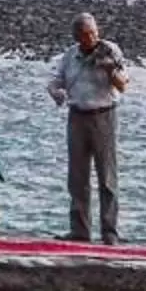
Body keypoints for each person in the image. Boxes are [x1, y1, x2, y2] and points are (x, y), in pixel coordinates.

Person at [47, 14, 130, 243]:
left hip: (104, 116)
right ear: (76, 37)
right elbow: (55, 81)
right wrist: (57, 93)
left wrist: (109, 70)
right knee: (77, 178)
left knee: (107, 177)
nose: (91, 39)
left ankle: (109, 232)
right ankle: (80, 230)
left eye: (93, 33)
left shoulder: (110, 50)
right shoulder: (70, 56)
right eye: (85, 35)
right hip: (77, 117)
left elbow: (123, 85)